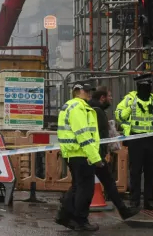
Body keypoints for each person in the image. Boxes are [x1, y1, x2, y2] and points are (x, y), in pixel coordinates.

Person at [115, 73, 153, 210]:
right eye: (143, 86)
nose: (146, 88)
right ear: (138, 86)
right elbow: (119, 115)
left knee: (151, 172)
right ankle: (134, 201)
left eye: (148, 86)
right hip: (136, 140)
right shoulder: (130, 99)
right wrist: (131, 108)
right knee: (135, 171)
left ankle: (149, 201)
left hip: (151, 140)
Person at [55, 83, 104, 232]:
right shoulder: (78, 108)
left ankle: (65, 216)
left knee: (77, 187)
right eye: (86, 91)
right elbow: (83, 135)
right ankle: (81, 220)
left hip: (74, 153)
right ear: (77, 91)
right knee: (86, 190)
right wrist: (95, 158)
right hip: (81, 153)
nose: (89, 93)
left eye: (90, 90)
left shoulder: (71, 106)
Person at [88, 86, 139, 220]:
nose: (111, 98)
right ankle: (68, 213)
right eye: (109, 96)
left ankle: (123, 210)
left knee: (105, 182)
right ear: (102, 98)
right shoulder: (97, 111)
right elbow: (98, 134)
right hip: (94, 155)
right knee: (101, 183)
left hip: (93, 154)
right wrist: (100, 154)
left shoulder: (93, 109)